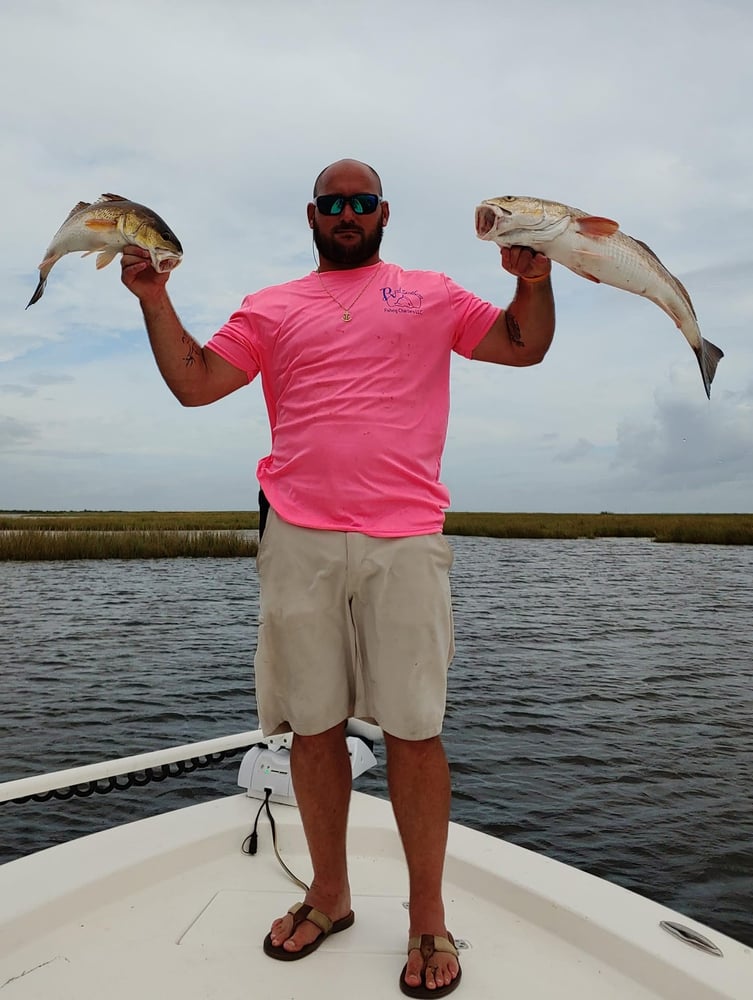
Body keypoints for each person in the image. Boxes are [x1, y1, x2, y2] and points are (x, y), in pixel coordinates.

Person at [121, 159, 555, 997]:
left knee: (415, 731)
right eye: (332, 205)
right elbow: (196, 383)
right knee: (311, 726)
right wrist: (153, 298)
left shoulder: (429, 292)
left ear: (383, 212)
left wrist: (532, 282)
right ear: (312, 216)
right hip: (299, 540)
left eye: (360, 203)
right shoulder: (271, 305)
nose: (346, 214)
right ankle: (331, 894)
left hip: (406, 538)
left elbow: (519, 345)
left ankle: (427, 914)